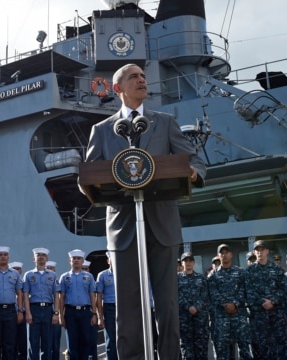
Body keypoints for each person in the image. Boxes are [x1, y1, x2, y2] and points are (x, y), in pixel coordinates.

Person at [84, 63, 206, 360]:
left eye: (142, 76)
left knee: (167, 303)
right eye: (133, 77)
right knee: (127, 304)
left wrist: (192, 172)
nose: (141, 80)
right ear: (117, 88)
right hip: (124, 226)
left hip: (162, 221)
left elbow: (194, 159)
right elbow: (87, 175)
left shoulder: (164, 122)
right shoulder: (101, 131)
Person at [245, 240, 287, 359]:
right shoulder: (249, 271)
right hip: (259, 315)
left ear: (267, 251)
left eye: (262, 249)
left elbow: (283, 288)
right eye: (257, 250)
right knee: (262, 346)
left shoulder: (277, 269)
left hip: (277, 314)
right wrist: (262, 302)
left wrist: (273, 301)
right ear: (254, 252)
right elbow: (248, 291)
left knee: (281, 345)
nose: (260, 252)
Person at [207, 244, 252, 360]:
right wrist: (225, 305)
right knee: (223, 350)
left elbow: (244, 290)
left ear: (231, 255)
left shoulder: (241, 272)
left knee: (244, 347)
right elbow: (213, 293)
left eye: (226, 252)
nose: (224, 255)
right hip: (222, 317)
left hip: (239, 315)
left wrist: (235, 304)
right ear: (218, 255)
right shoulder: (213, 275)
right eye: (221, 253)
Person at [55, 249, 97, 360]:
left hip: (85, 312)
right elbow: (61, 297)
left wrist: (94, 313)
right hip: (70, 312)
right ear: (70, 261)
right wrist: (60, 316)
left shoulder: (89, 277)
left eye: (79, 258)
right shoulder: (64, 277)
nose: (76, 260)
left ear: (83, 261)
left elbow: (92, 295)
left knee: (86, 340)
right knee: (72, 341)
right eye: (74, 258)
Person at [23, 248, 57, 360]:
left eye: (43, 255)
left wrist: (56, 313)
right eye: (38, 255)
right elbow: (25, 295)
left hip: (48, 310)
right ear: (34, 258)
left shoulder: (53, 275)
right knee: (33, 342)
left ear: (47, 258)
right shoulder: (28, 275)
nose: (41, 257)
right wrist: (27, 313)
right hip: (34, 309)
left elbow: (56, 295)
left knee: (47, 343)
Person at [177, 252, 209, 360]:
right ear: (182, 263)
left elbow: (205, 295)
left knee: (201, 349)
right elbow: (175, 295)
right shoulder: (176, 278)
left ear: (194, 262)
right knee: (187, 350)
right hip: (184, 319)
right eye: (185, 260)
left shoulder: (200, 278)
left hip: (200, 319)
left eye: (190, 260)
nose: (188, 263)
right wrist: (188, 306)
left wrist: (196, 307)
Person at [95, 252, 117, 360]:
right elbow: (98, 297)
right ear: (108, 261)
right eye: (111, 258)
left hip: (123, 308)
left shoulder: (125, 274)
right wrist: (100, 317)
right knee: (110, 339)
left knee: (125, 338)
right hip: (109, 308)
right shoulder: (102, 275)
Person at [10, 261, 28, 360]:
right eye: (14, 269)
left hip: (23, 315)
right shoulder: (7, 282)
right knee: (11, 342)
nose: (17, 271)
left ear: (21, 271)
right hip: (10, 313)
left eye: (18, 269)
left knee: (23, 341)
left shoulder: (24, 283)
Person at [46, 260, 63, 360]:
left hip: (56, 315)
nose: (50, 270)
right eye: (48, 268)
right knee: (46, 344)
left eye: (51, 268)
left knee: (55, 344)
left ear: (55, 270)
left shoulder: (57, 283)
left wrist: (59, 315)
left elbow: (61, 299)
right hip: (45, 314)